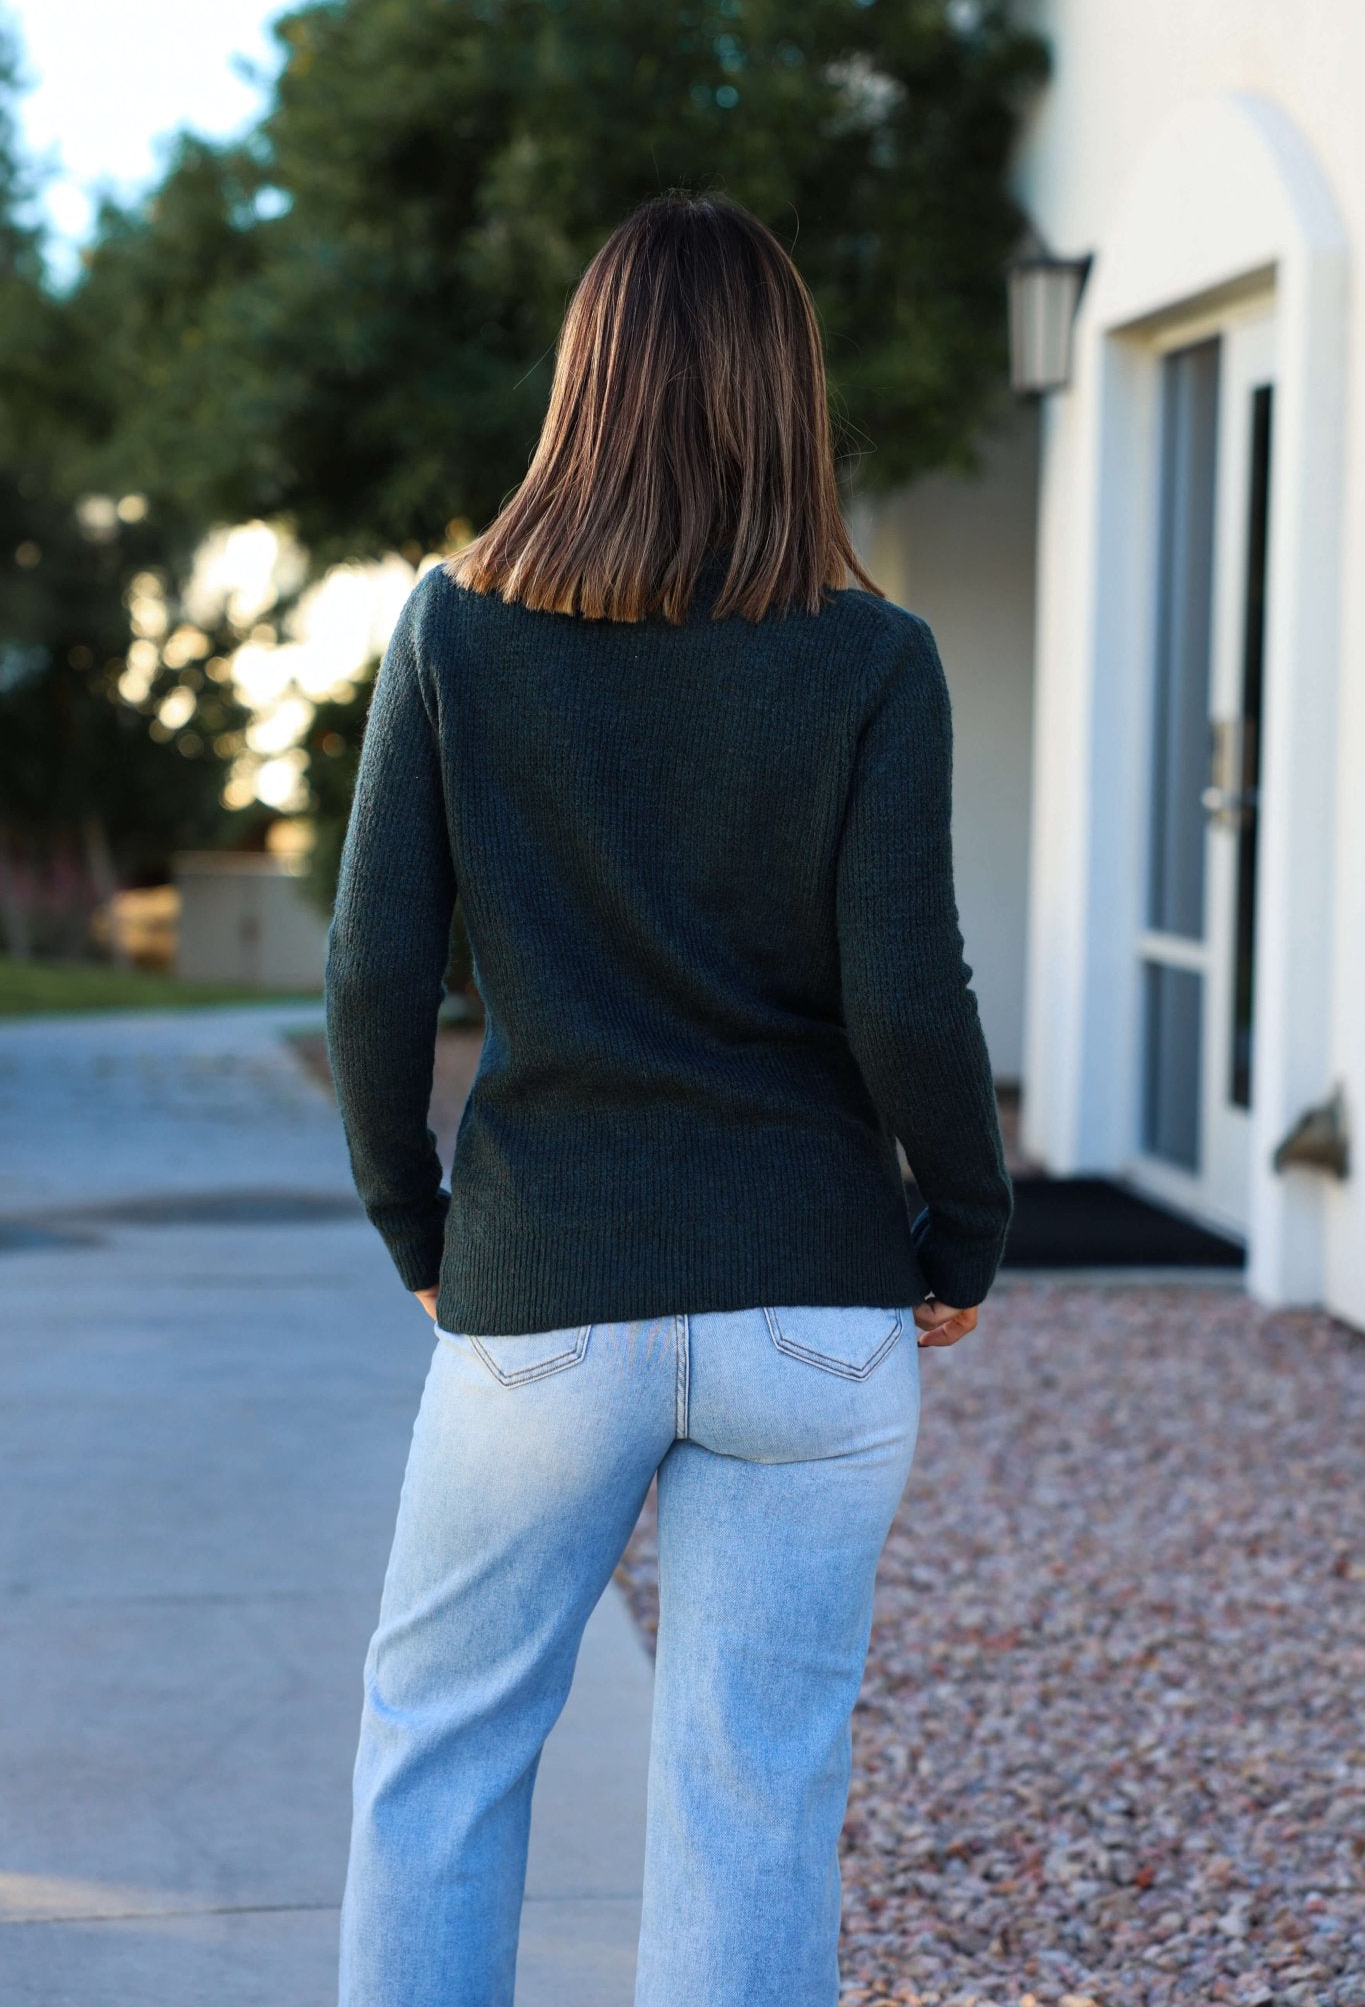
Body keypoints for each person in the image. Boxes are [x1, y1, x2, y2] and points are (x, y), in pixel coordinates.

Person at [324, 186, 1013, 2007]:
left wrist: (418, 1223)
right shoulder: (873, 660)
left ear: (586, 384)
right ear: (787, 396)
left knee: (442, 1747)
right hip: (813, 1303)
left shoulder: (454, 632)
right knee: (753, 1797)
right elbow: (907, 998)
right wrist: (964, 1224)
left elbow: (375, 977)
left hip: (544, 1297)